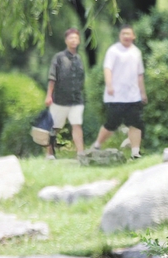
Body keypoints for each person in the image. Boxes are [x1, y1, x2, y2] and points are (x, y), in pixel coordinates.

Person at [92, 25, 147, 159]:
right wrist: (109, 85)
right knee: (112, 123)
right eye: (124, 34)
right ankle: (97, 145)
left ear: (133, 36)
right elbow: (107, 69)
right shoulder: (113, 51)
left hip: (133, 95)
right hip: (115, 96)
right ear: (120, 36)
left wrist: (143, 93)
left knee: (136, 123)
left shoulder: (136, 52)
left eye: (129, 34)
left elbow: (140, 75)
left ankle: (135, 152)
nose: (126, 36)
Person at [45, 28, 86, 160]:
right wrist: (49, 95)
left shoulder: (79, 59)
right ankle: (49, 153)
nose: (73, 40)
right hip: (60, 100)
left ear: (79, 40)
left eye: (76, 38)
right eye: (71, 38)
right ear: (66, 41)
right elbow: (52, 77)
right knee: (54, 128)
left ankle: (81, 153)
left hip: (76, 99)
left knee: (77, 124)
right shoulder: (59, 58)